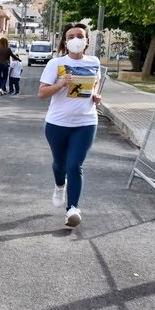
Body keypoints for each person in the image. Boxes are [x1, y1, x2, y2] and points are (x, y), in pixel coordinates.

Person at [38, 23, 102, 228]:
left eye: (80, 36)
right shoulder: (56, 63)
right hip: (57, 123)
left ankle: (72, 209)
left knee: (74, 165)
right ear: (65, 42)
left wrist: (96, 96)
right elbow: (42, 93)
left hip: (86, 122)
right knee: (60, 164)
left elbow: (94, 85)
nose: (76, 39)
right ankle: (59, 186)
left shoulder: (94, 62)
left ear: (87, 40)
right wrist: (61, 84)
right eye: (71, 36)